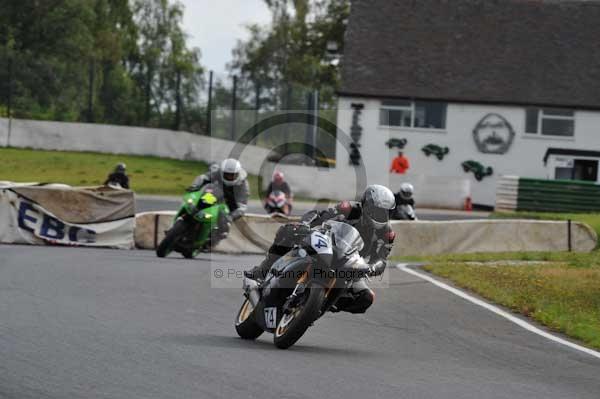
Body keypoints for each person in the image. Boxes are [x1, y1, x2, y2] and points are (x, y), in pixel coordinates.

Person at [245, 185, 396, 314]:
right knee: (288, 230)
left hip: (353, 264)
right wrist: (305, 225)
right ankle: (262, 270)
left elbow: (381, 260)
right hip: (329, 244)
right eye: (377, 211)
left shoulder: (387, 234)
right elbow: (320, 215)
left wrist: (370, 268)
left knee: (367, 297)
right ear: (366, 206)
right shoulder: (349, 208)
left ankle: (323, 304)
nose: (381, 216)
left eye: (385, 213)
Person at [189, 158, 250, 248]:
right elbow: (203, 178)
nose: (230, 177)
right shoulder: (217, 172)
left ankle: (213, 239)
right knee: (197, 202)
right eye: (227, 175)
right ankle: (186, 219)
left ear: (238, 174)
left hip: (230, 203)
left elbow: (242, 207)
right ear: (222, 172)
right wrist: (195, 186)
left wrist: (231, 216)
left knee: (224, 221)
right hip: (214, 194)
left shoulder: (243, 184)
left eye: (232, 175)